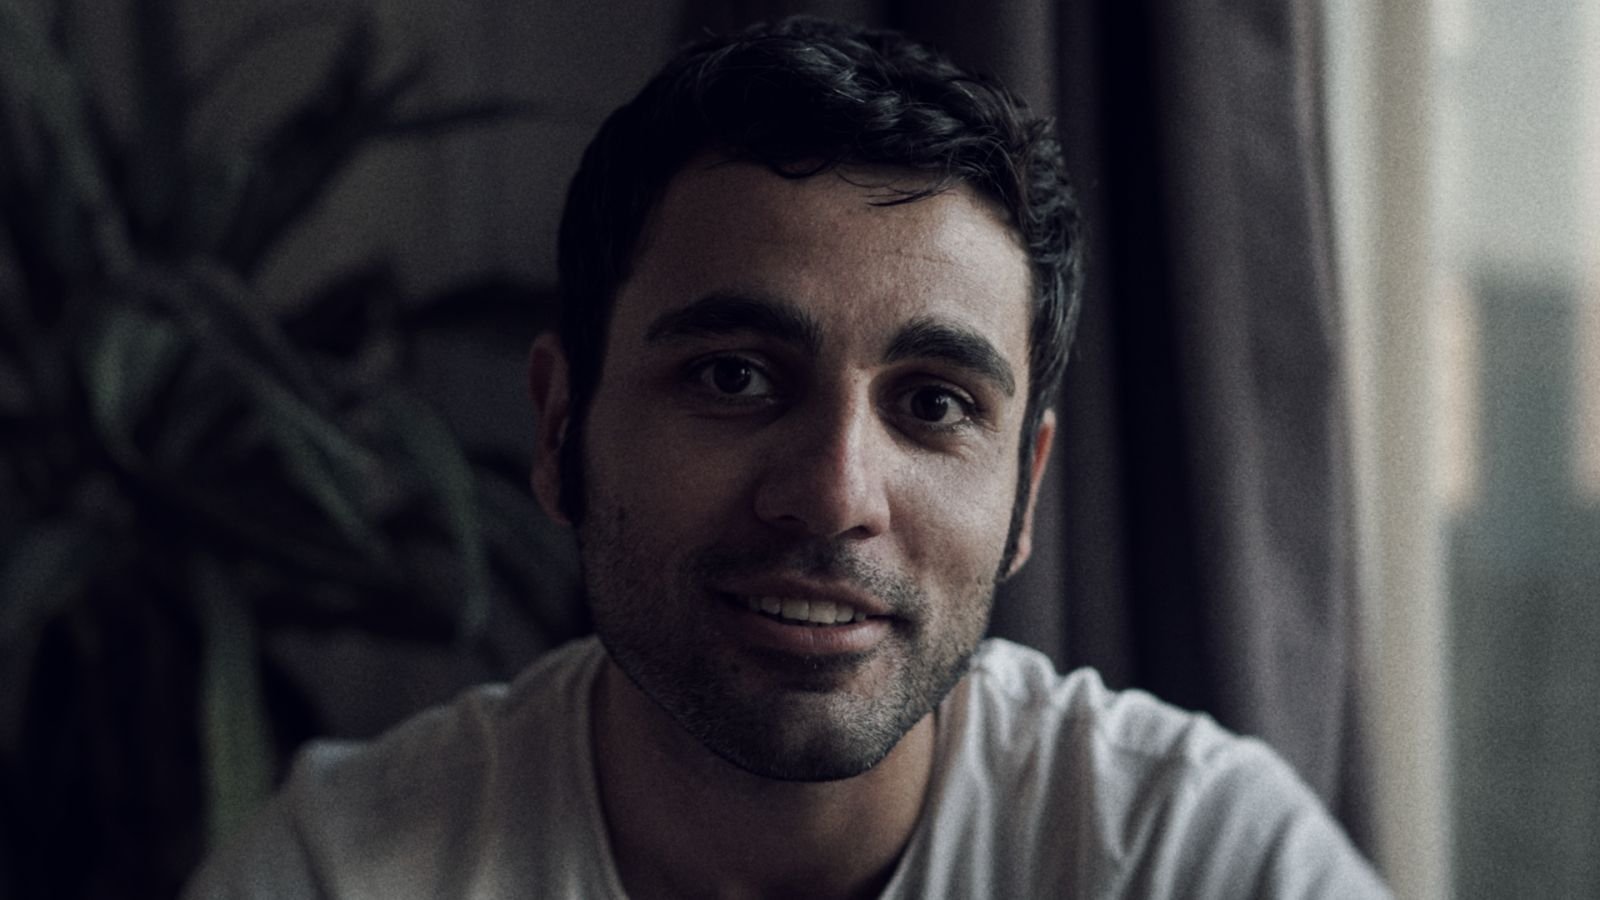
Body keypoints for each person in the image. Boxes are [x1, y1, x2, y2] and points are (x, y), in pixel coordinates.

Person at [186, 16, 1390, 899]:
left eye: (933, 403)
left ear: (1025, 489)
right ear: (560, 428)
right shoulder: (342, 872)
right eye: (733, 377)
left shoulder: (1194, 852)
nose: (832, 493)